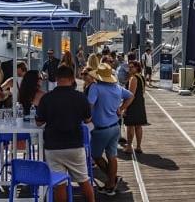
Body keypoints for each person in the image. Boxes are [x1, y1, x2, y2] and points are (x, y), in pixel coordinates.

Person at [36, 65, 95, 202]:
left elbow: (39, 122)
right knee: (84, 180)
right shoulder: (80, 97)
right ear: (72, 79)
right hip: (75, 144)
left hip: (53, 146)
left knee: (59, 185)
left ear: (56, 79)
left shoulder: (47, 98)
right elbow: (88, 119)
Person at [88, 63, 134, 196]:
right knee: (112, 156)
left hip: (101, 128)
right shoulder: (117, 87)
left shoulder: (95, 88)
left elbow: (89, 106)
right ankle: (111, 182)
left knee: (96, 155)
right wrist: (121, 108)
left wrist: (87, 119)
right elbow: (131, 95)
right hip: (115, 127)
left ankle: (112, 180)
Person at [122, 61, 148, 154]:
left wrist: (125, 108)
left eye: (132, 67)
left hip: (132, 104)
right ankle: (138, 146)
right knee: (138, 126)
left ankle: (129, 147)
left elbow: (130, 94)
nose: (129, 69)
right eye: (129, 67)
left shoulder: (133, 78)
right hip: (140, 103)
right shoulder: (141, 77)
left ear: (137, 68)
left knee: (130, 126)